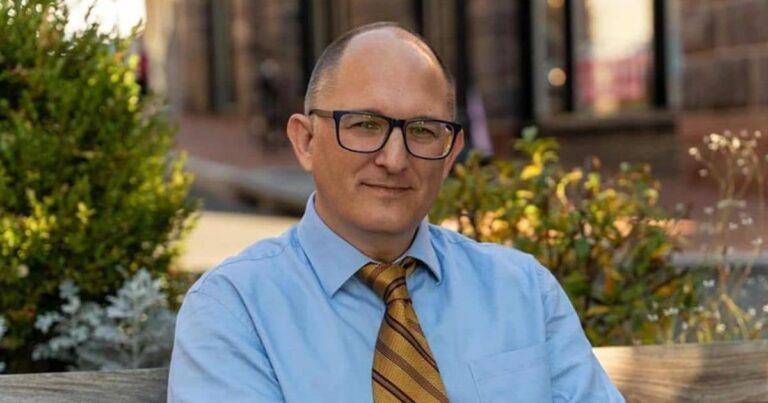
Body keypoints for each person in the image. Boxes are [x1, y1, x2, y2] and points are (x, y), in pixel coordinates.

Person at [168, 22, 624, 403]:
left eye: (423, 131)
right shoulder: (234, 311)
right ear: (305, 141)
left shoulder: (524, 292)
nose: (394, 158)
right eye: (365, 125)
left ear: (451, 153)